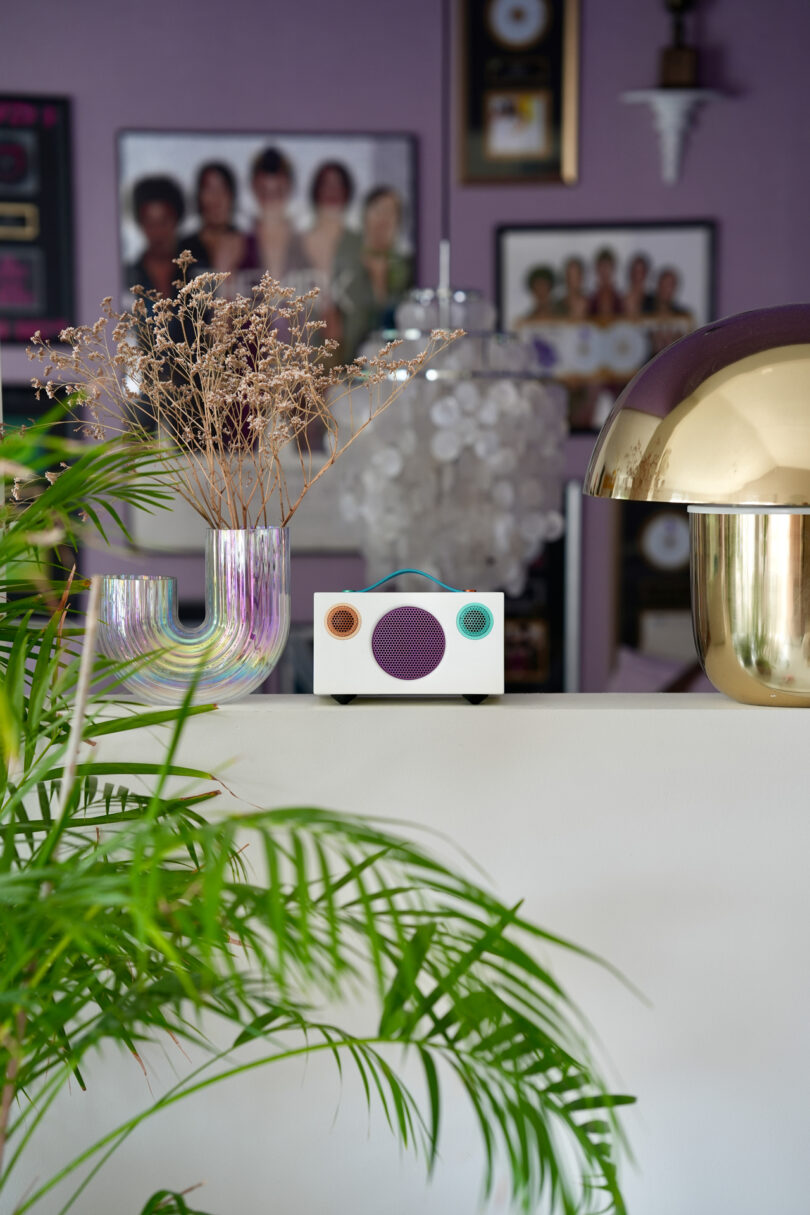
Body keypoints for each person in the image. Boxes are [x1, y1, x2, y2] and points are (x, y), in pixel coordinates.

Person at [243, 147, 307, 282]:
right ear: (254, 187)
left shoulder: (307, 242)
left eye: (277, 191)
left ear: (289, 186)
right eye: (265, 191)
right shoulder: (239, 245)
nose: (271, 199)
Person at [126, 175, 185, 297]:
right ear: (141, 223)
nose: (158, 231)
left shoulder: (195, 274)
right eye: (150, 223)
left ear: (176, 220)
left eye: (164, 222)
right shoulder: (128, 278)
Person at [182, 161, 247, 274]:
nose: (216, 198)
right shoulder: (184, 249)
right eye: (209, 189)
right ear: (199, 197)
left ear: (232, 196)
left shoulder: (248, 245)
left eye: (222, 189)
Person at [588, 247, 622, 320]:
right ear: (597, 269)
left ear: (613, 268)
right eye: (601, 267)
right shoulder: (590, 301)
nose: (604, 271)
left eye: (607, 267)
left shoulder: (621, 300)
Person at [623, 252, 655, 318]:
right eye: (635, 271)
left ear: (646, 274)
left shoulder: (653, 301)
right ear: (630, 273)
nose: (637, 275)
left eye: (641, 272)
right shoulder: (621, 298)